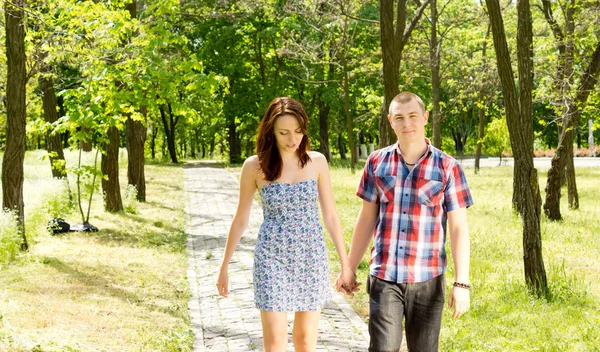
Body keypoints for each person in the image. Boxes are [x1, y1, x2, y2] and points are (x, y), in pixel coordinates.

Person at [216, 97, 355, 352]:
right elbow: (240, 219)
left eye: (298, 132)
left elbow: (332, 216)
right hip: (272, 259)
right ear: (271, 131)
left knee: (304, 342)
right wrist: (224, 266)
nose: (293, 139)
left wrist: (346, 265)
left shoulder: (317, 162)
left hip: (310, 258)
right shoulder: (254, 167)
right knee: (276, 342)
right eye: (284, 132)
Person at [340, 92, 474, 352]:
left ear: (425, 118)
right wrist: (350, 267)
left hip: (428, 279)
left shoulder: (448, 167)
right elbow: (366, 218)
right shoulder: (377, 162)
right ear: (390, 121)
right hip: (385, 276)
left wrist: (462, 283)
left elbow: (458, 228)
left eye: (413, 116)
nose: (406, 123)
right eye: (399, 118)